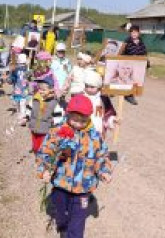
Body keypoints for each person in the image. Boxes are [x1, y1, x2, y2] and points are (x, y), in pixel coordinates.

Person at [36, 94, 112, 238]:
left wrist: (104, 171)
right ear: (68, 114)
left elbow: (102, 156)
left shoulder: (95, 137)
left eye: (82, 120)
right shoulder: (57, 132)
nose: (77, 124)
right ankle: (62, 226)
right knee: (61, 211)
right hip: (61, 183)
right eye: (74, 119)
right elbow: (45, 152)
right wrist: (44, 170)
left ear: (89, 118)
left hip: (83, 187)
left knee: (78, 220)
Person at [27, 76, 58, 154]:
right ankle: (35, 149)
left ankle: (40, 153)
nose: (41, 91)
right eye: (40, 89)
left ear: (51, 90)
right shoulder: (35, 98)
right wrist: (26, 117)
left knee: (42, 142)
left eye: (44, 90)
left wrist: (55, 123)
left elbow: (58, 114)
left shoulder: (53, 102)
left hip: (45, 128)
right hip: (34, 125)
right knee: (34, 138)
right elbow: (29, 108)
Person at [83, 70, 118, 139]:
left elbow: (108, 113)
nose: (89, 89)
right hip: (84, 128)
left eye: (92, 87)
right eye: (87, 86)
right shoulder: (81, 97)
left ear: (98, 87)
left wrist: (112, 119)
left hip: (98, 128)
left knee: (97, 145)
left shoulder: (103, 99)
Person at [123, 25, 147, 105]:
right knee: (127, 80)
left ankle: (130, 95)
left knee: (135, 80)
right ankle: (128, 95)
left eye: (135, 32)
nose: (134, 34)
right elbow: (122, 53)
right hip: (128, 65)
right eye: (132, 32)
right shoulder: (126, 42)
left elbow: (144, 53)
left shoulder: (141, 42)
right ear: (130, 33)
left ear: (138, 33)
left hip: (138, 65)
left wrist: (147, 63)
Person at [9, 53, 30, 125]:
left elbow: (12, 79)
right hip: (22, 89)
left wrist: (10, 79)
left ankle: (21, 117)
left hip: (19, 89)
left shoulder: (17, 69)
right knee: (21, 103)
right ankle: (21, 116)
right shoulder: (25, 69)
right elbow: (29, 78)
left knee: (20, 103)